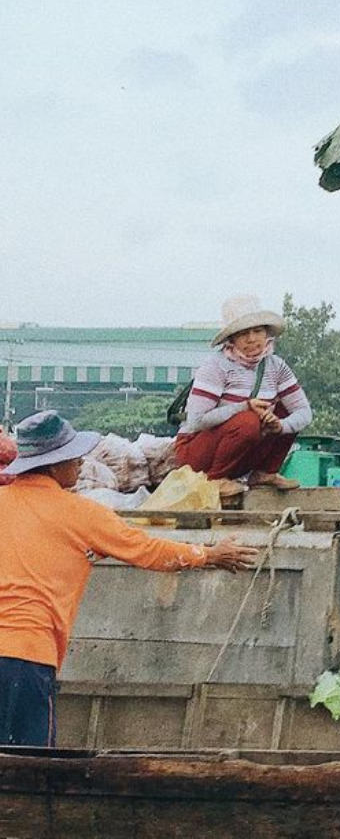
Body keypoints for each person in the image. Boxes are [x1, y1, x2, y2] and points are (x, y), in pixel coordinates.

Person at [0, 410, 257, 747]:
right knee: (30, 767)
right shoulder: (82, 513)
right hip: (26, 654)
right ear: (53, 465)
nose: (80, 464)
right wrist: (208, 554)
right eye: (73, 458)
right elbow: (146, 549)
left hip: (22, 650)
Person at [175, 295, 312, 493]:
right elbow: (196, 421)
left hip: (241, 451)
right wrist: (244, 407)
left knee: (285, 412)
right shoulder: (216, 366)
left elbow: (304, 412)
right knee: (249, 421)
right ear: (232, 339)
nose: (252, 339)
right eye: (244, 333)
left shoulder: (276, 366)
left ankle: (265, 472)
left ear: (266, 334)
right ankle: (216, 479)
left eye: (257, 331)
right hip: (196, 452)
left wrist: (279, 425)